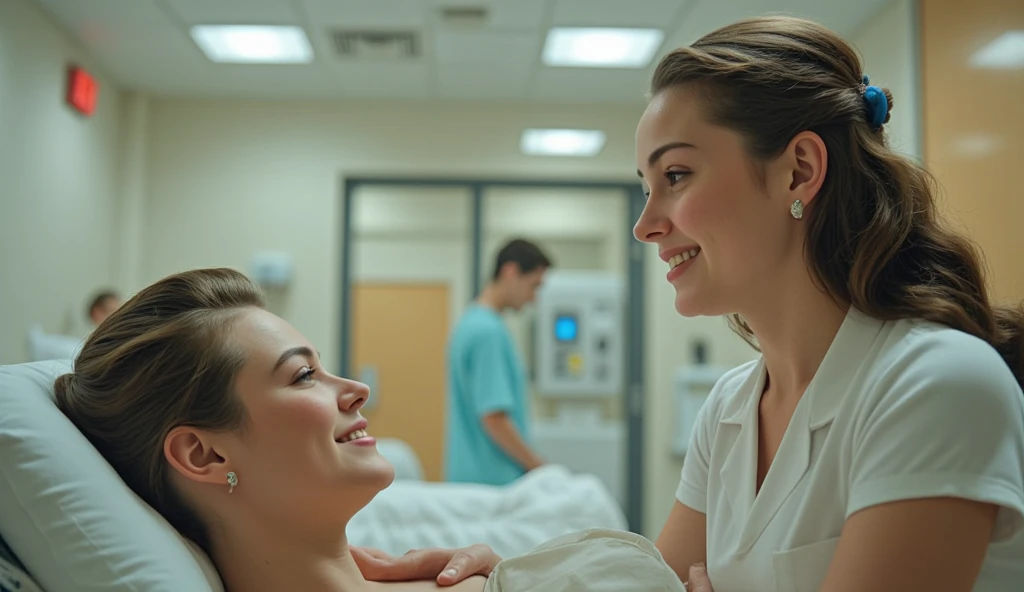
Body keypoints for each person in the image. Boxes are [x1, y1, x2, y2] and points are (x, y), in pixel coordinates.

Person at [356, 15, 1024, 592]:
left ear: (799, 170)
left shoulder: (934, 385)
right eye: (646, 186)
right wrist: (514, 575)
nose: (644, 225)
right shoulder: (732, 411)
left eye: (675, 176)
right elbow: (654, 583)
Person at [54, 267, 686, 592]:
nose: (354, 389)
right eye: (303, 376)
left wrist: (513, 575)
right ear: (204, 453)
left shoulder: (475, 570)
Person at [444, 239, 552, 486]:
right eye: (533, 286)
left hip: (471, 479)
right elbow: (494, 418)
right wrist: (540, 469)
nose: (533, 298)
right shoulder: (487, 332)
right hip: (491, 484)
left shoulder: (470, 323)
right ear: (510, 271)